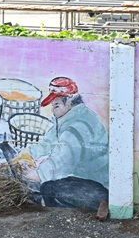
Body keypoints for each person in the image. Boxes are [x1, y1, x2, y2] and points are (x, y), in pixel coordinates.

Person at [19, 77, 108, 210]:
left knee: (49, 187)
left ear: (70, 102)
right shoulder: (67, 118)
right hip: (81, 179)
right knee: (46, 185)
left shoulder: (80, 125)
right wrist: (29, 153)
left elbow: (62, 160)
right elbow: (49, 143)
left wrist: (37, 174)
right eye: (52, 105)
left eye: (56, 105)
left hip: (97, 186)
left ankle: (86, 210)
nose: (53, 110)